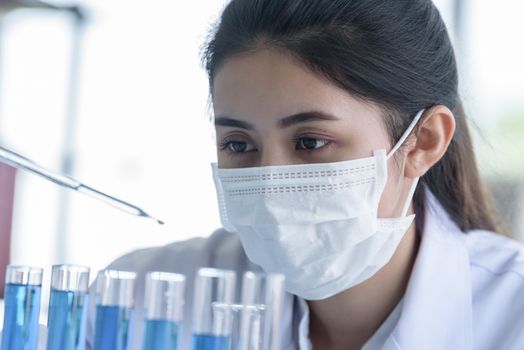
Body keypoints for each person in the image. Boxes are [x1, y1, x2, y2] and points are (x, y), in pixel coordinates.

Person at [87, 0, 524, 349]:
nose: (271, 185)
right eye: (239, 144)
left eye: (310, 142)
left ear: (423, 141)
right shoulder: (138, 300)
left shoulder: (512, 317)